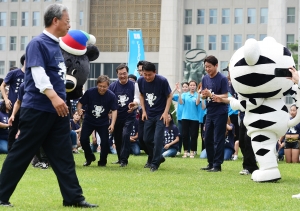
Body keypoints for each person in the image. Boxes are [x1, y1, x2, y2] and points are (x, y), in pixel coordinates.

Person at [0, 4, 98, 208]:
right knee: (21, 153)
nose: (69, 24)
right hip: (38, 109)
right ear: (55, 21)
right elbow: (38, 73)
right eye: (67, 20)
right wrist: (53, 97)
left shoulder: (57, 45)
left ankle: (73, 198)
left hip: (59, 111)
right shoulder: (38, 43)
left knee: (63, 155)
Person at [137, 61, 172, 172]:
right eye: (145, 74)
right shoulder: (141, 81)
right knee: (146, 139)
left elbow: (169, 96)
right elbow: (142, 95)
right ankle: (159, 157)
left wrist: (166, 112)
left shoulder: (162, 81)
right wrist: (143, 110)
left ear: (155, 72)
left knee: (157, 140)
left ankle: (155, 164)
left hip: (160, 115)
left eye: (149, 75)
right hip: (149, 114)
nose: (147, 77)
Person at [77, 75, 117, 167]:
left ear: (108, 86)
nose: (102, 88)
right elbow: (80, 103)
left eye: (104, 87)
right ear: (97, 85)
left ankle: (102, 161)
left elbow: (114, 110)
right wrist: (79, 110)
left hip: (103, 122)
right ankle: (89, 157)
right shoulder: (90, 92)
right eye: (100, 86)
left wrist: (112, 124)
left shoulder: (111, 96)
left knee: (105, 142)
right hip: (89, 120)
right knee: (83, 139)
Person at [200, 55, 228, 172]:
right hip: (209, 112)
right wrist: (203, 95)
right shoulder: (205, 79)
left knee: (218, 139)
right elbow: (202, 94)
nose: (207, 69)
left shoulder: (222, 78)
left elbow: (226, 96)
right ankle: (210, 163)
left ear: (216, 65)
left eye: (209, 67)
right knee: (207, 138)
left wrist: (212, 95)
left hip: (220, 112)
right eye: (206, 67)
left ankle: (217, 165)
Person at [109, 63, 140, 167]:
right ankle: (119, 158)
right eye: (120, 74)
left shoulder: (134, 85)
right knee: (117, 138)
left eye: (124, 73)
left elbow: (137, 98)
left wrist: (134, 105)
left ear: (127, 73)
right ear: (117, 74)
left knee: (126, 135)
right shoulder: (112, 86)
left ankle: (124, 160)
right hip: (116, 116)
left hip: (129, 116)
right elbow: (108, 101)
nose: (122, 76)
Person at [0, 54, 25, 151]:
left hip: (27, 107)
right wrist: (6, 99)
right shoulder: (14, 73)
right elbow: (2, 86)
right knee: (13, 129)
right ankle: (11, 152)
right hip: (14, 106)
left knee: (25, 130)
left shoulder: (32, 75)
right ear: (25, 61)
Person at [178, 80, 200, 158]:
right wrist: (180, 93)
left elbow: (197, 103)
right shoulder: (185, 94)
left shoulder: (197, 94)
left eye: (194, 85)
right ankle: (185, 151)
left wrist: (199, 95)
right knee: (185, 135)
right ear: (189, 86)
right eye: (191, 85)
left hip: (194, 118)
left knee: (194, 135)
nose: (192, 87)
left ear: (196, 86)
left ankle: (192, 151)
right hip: (185, 117)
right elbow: (181, 102)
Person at [172, 82, 189, 155]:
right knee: (180, 134)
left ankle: (188, 150)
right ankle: (179, 150)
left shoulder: (190, 95)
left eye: (186, 87)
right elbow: (170, 96)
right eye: (183, 87)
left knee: (187, 135)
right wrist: (175, 89)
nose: (185, 88)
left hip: (188, 118)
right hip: (180, 117)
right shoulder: (179, 95)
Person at [136, 60, 148, 154]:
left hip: (153, 113)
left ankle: (152, 158)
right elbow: (137, 97)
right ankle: (152, 155)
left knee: (149, 138)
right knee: (141, 138)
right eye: (139, 70)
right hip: (142, 112)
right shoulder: (138, 82)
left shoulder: (156, 80)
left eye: (142, 70)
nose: (141, 72)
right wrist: (135, 104)